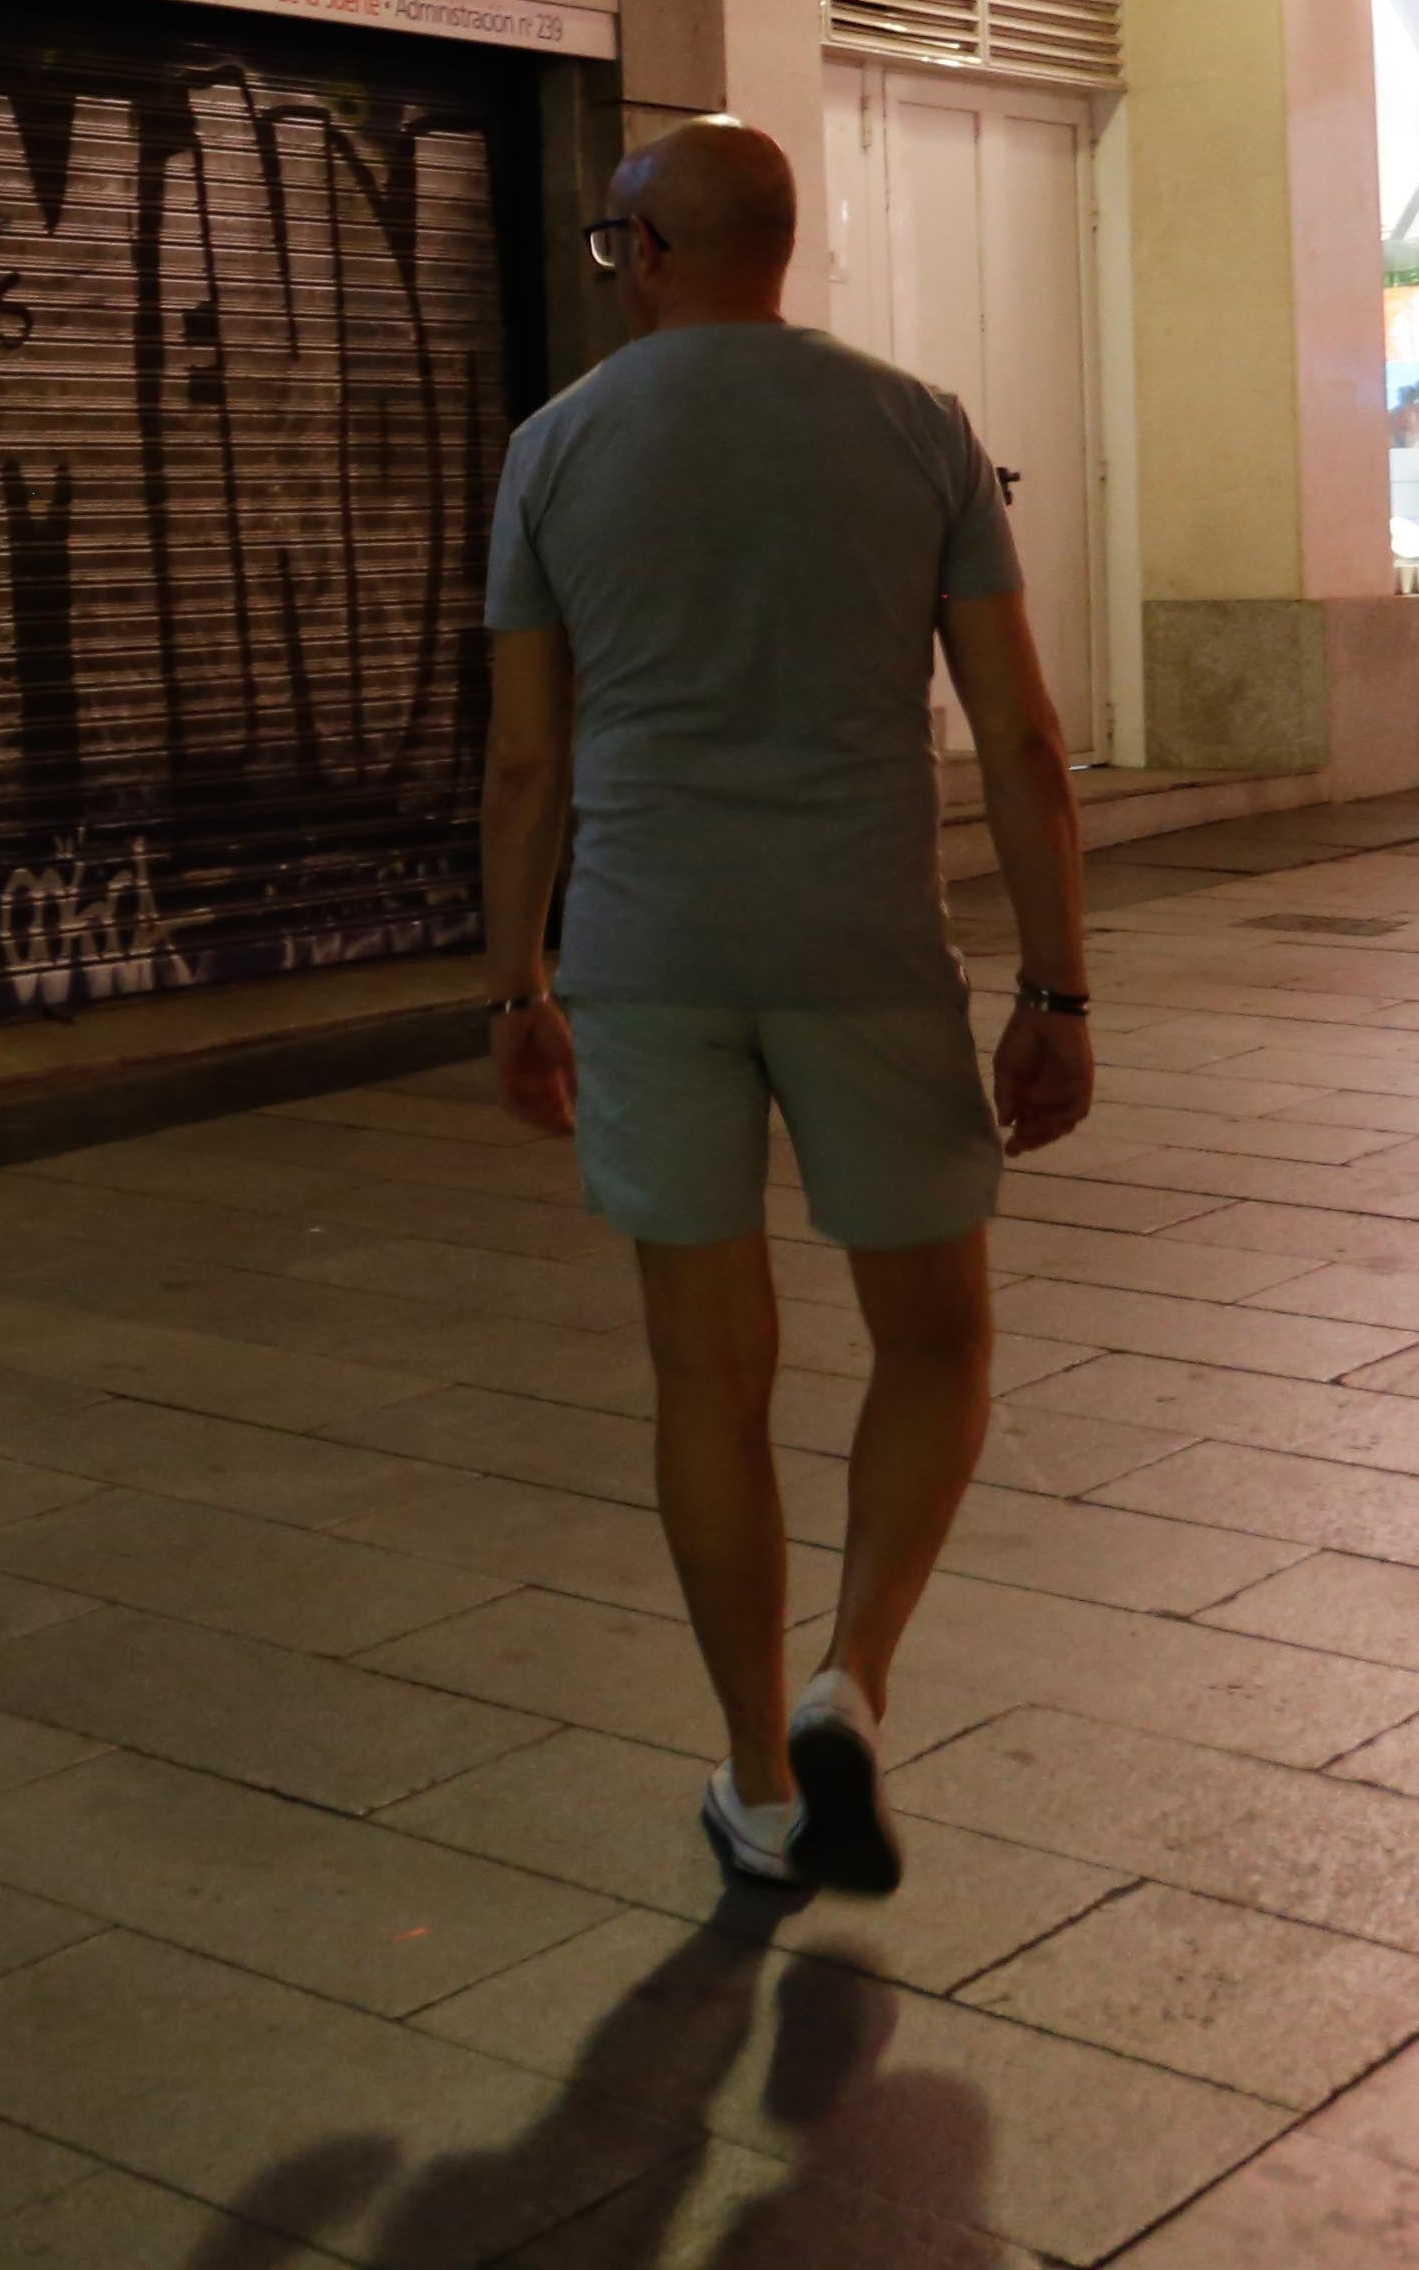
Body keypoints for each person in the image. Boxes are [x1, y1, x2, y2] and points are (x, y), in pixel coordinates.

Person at [476, 119, 1096, 1899]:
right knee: (935, 1339)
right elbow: (1021, 737)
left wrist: (516, 980)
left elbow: (526, 762)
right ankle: (853, 1676)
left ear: (651, 250)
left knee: (707, 1370)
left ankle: (758, 1775)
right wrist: (1055, 984)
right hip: (861, 943)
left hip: (645, 948)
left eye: (615, 246)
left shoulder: (551, 448)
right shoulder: (916, 427)